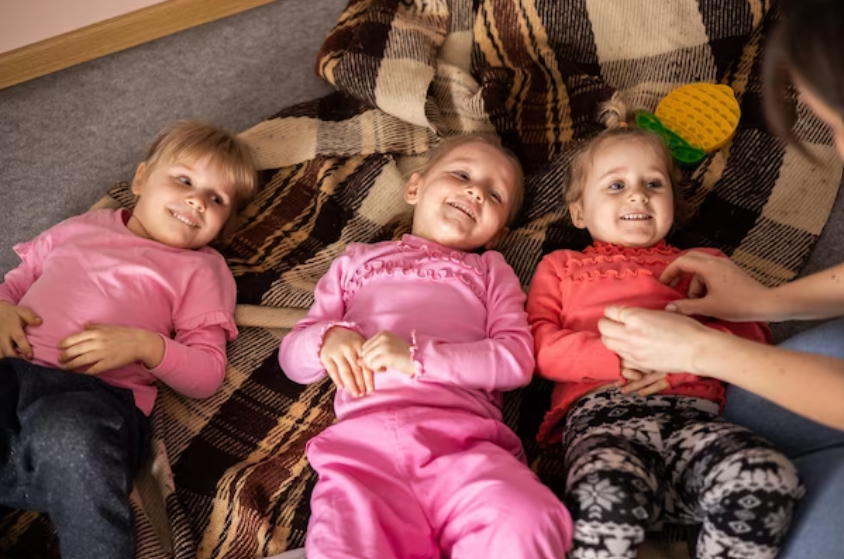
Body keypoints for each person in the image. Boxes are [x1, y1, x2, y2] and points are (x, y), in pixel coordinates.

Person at [596, 3, 844, 558]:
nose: (837, 148)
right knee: (760, 427)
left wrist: (705, 351)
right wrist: (767, 300)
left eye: (833, 123)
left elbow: (741, 347)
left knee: (776, 492)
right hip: (641, 421)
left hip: (697, 410)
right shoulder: (561, 269)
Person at [527, 99, 803, 559]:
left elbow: (755, 337)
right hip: (604, 421)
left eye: (653, 184)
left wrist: (681, 364)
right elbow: (538, 345)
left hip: (693, 418)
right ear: (579, 212)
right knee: (603, 505)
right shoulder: (561, 267)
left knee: (769, 475)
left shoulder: (703, 266)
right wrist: (620, 356)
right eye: (616, 185)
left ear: (674, 201)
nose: (637, 195)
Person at [278, 134, 573, 559]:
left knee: (526, 517)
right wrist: (325, 339)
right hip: (365, 454)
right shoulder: (356, 262)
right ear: (415, 187)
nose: (475, 191)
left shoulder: (491, 271)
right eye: (462, 174)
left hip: (463, 445)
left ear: (500, 231)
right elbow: (292, 359)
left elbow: (514, 361)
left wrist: (418, 357)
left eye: (494, 194)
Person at [0, 121, 257, 559]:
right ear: (140, 179)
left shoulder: (201, 269)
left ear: (224, 226)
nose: (197, 200)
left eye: (217, 200)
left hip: (94, 398)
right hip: (12, 371)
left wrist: (146, 346)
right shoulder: (82, 226)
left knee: (71, 434)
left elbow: (208, 372)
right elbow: (17, 282)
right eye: (184, 180)